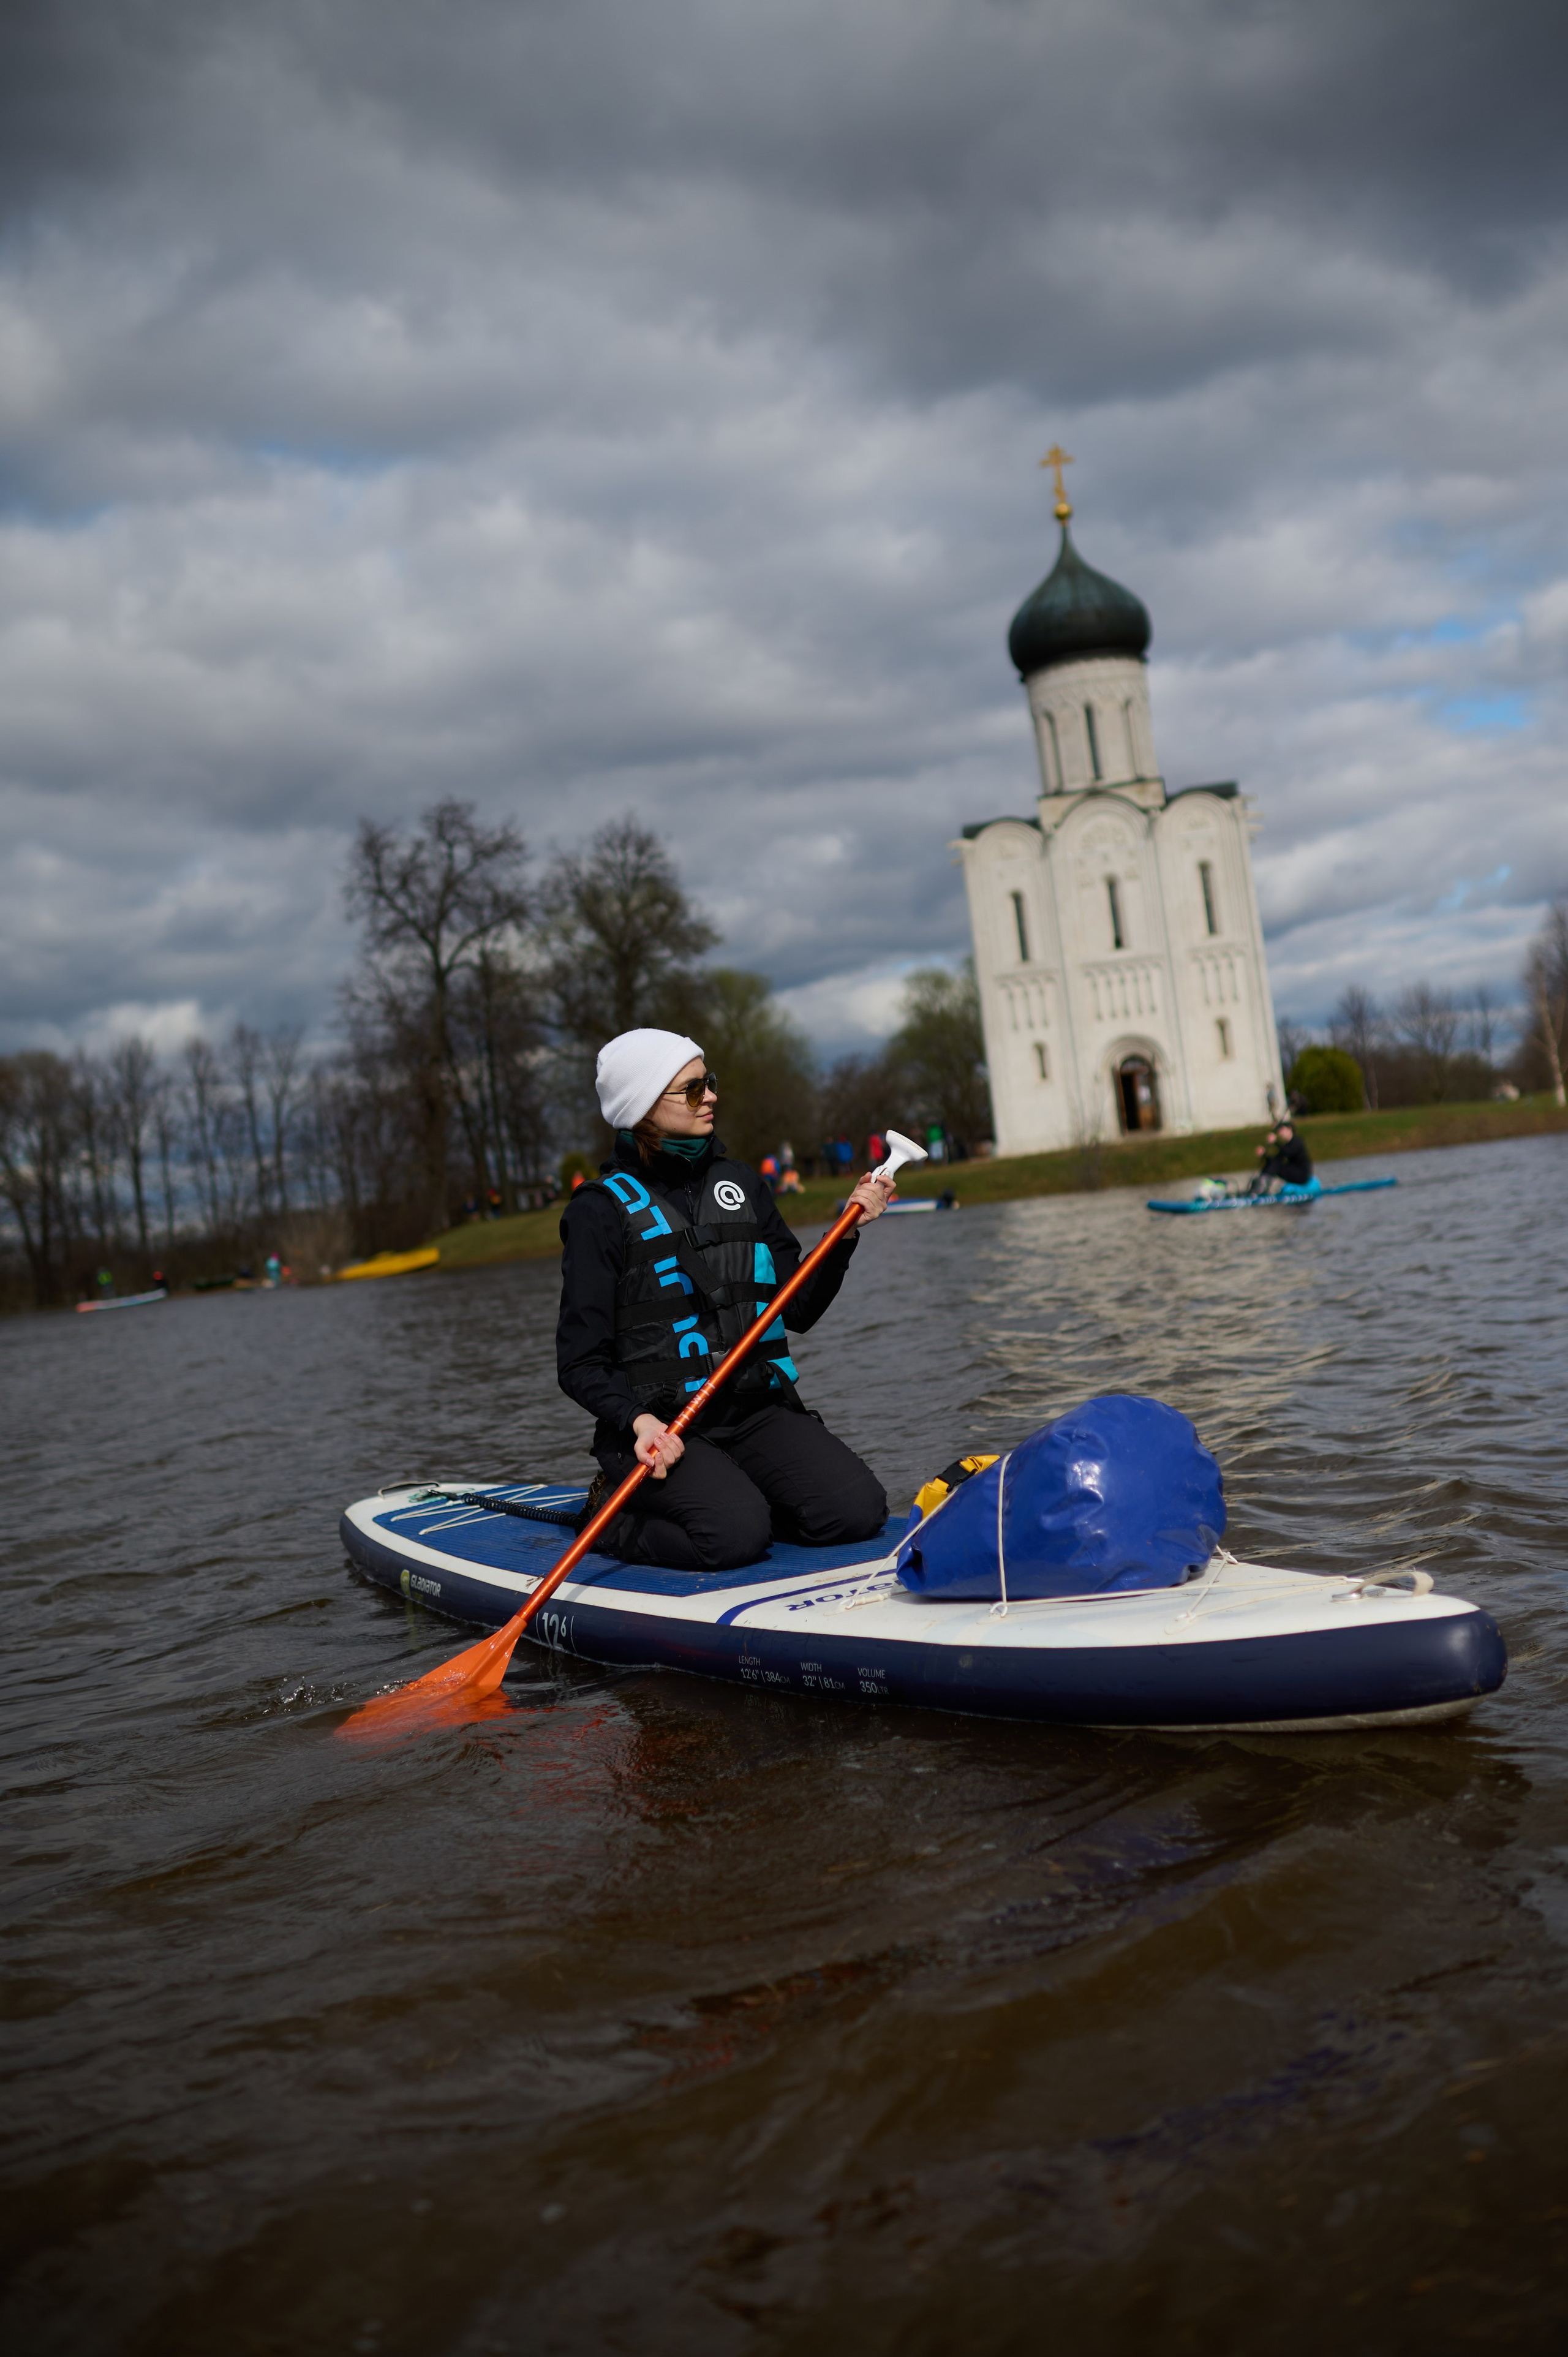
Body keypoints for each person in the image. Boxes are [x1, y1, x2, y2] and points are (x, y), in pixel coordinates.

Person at [557, 1028, 894, 1572]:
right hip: (662, 1427)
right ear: (644, 1107)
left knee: (855, 1512)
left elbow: (800, 1309)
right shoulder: (598, 1212)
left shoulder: (742, 1183)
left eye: (708, 1083)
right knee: (731, 1536)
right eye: (692, 1090)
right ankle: (614, 1521)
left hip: (753, 1411)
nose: (711, 1096)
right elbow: (579, 1363)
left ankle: (748, 1500)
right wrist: (637, 1422)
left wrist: (846, 1235)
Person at [1250, 1119, 1313, 1193]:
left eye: (1282, 1130)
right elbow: (1276, 1160)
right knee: (1274, 1163)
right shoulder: (1286, 1145)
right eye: (1279, 1131)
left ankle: (1261, 1188)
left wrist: (1275, 1143)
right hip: (1293, 1172)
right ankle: (1258, 1185)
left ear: (1290, 1129)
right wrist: (1264, 1154)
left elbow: (1288, 1152)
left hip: (1301, 1175)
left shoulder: (1297, 1141)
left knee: (1277, 1166)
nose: (1280, 1133)